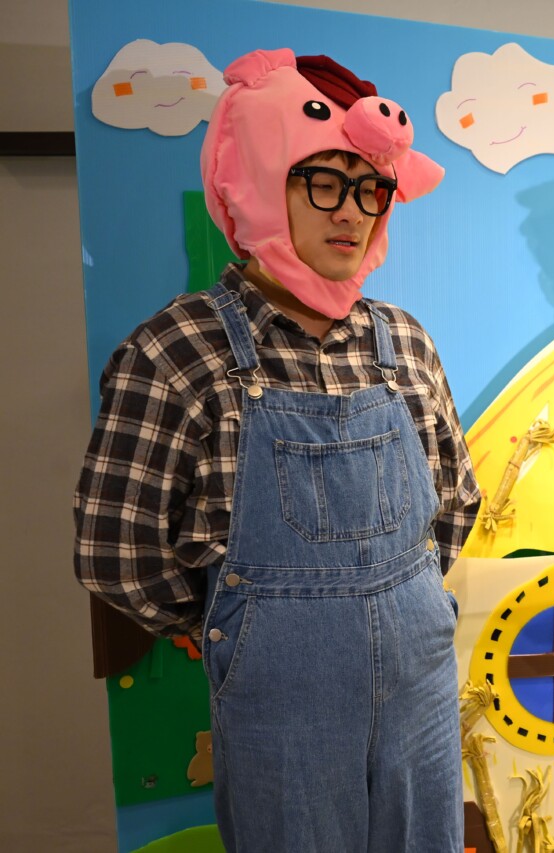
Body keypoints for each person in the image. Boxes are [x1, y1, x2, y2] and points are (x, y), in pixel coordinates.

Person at [74, 49, 480, 852]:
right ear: (260, 180)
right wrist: (238, 623)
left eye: (370, 188)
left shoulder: (404, 341)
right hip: (280, 701)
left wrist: (403, 605)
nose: (351, 212)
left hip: (422, 691)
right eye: (322, 181)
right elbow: (116, 551)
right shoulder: (178, 351)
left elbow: (455, 500)